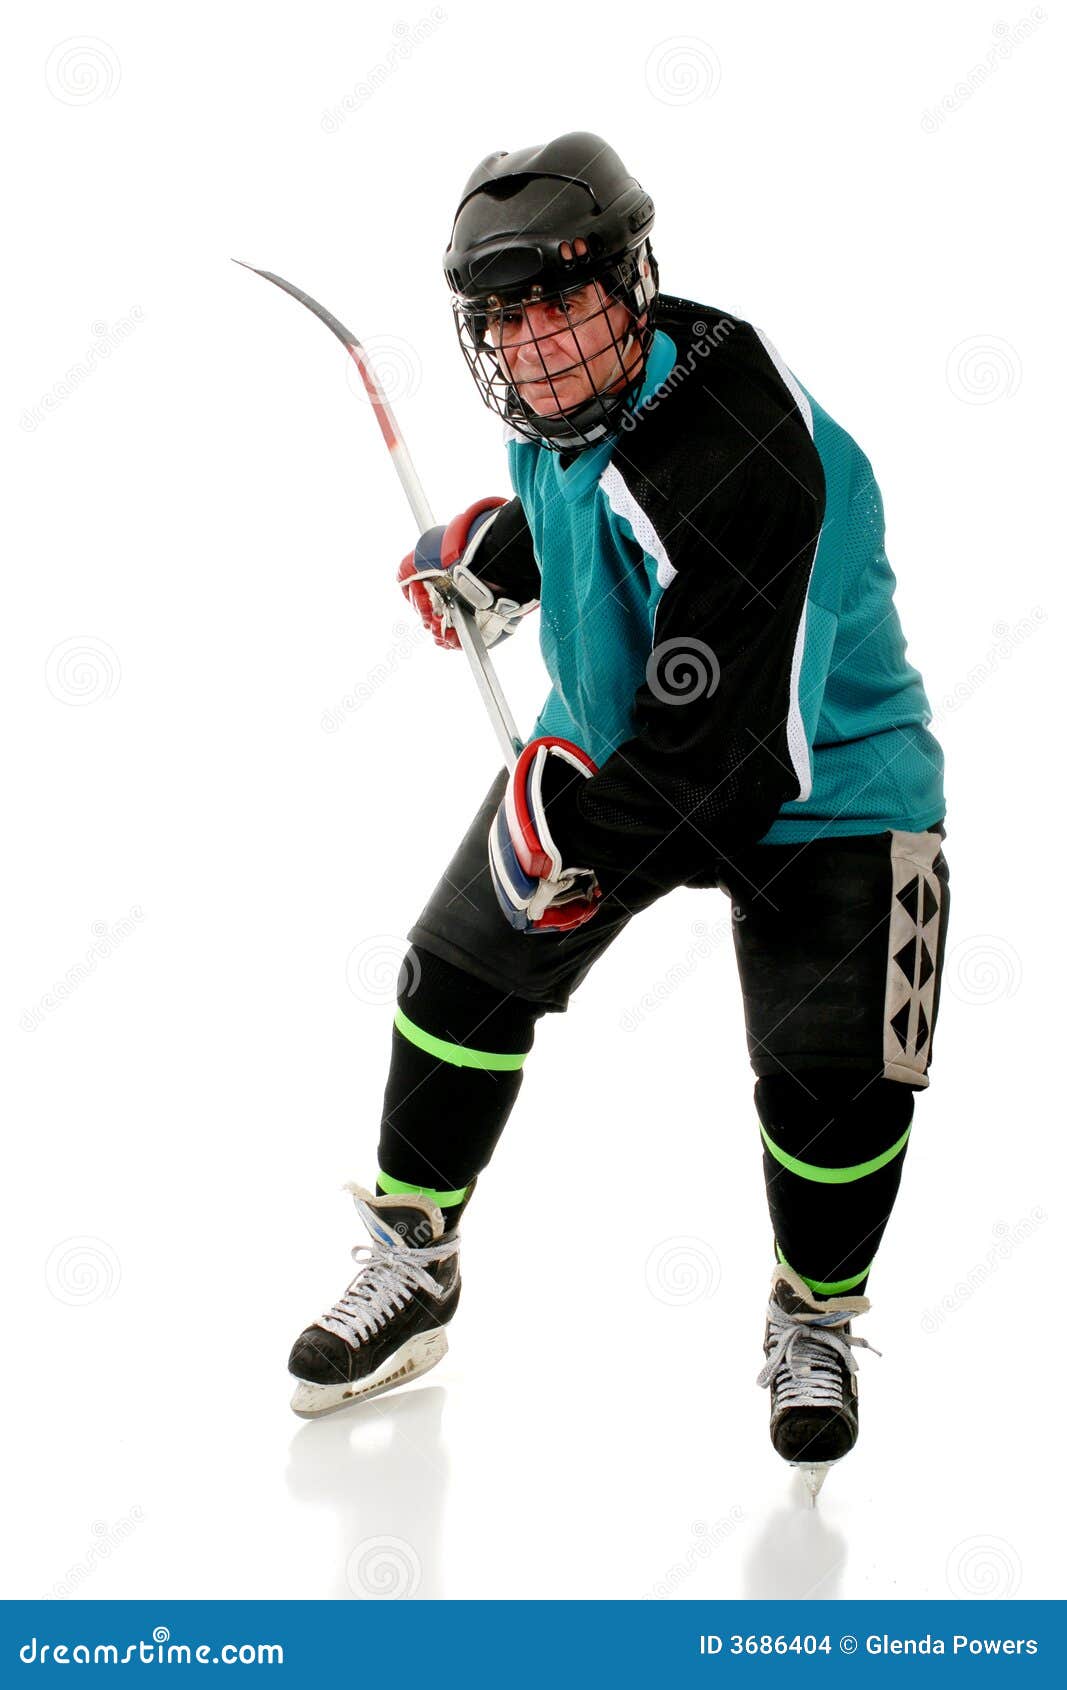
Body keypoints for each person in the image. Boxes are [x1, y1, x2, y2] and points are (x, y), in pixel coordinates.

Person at [287, 133, 950, 1495]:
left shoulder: (741, 441)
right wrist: (506, 554)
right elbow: (609, 512)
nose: (536, 343)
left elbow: (738, 762)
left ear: (632, 287)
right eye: (505, 319)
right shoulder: (571, 398)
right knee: (456, 968)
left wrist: (572, 837)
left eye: (563, 302)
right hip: (630, 747)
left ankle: (814, 1313)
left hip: (828, 779)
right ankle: (415, 1259)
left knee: (836, 1085)